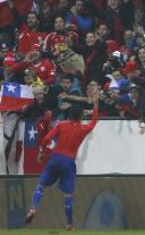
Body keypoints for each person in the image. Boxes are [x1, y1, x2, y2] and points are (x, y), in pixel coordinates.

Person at [24, 90, 100, 230]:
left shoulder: (62, 125)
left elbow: (46, 139)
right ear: (80, 117)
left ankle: (33, 208)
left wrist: (41, 152)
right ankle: (69, 223)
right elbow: (94, 122)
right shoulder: (83, 128)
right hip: (69, 161)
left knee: (40, 186)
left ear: (69, 115)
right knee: (68, 194)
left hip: (55, 157)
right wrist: (95, 105)